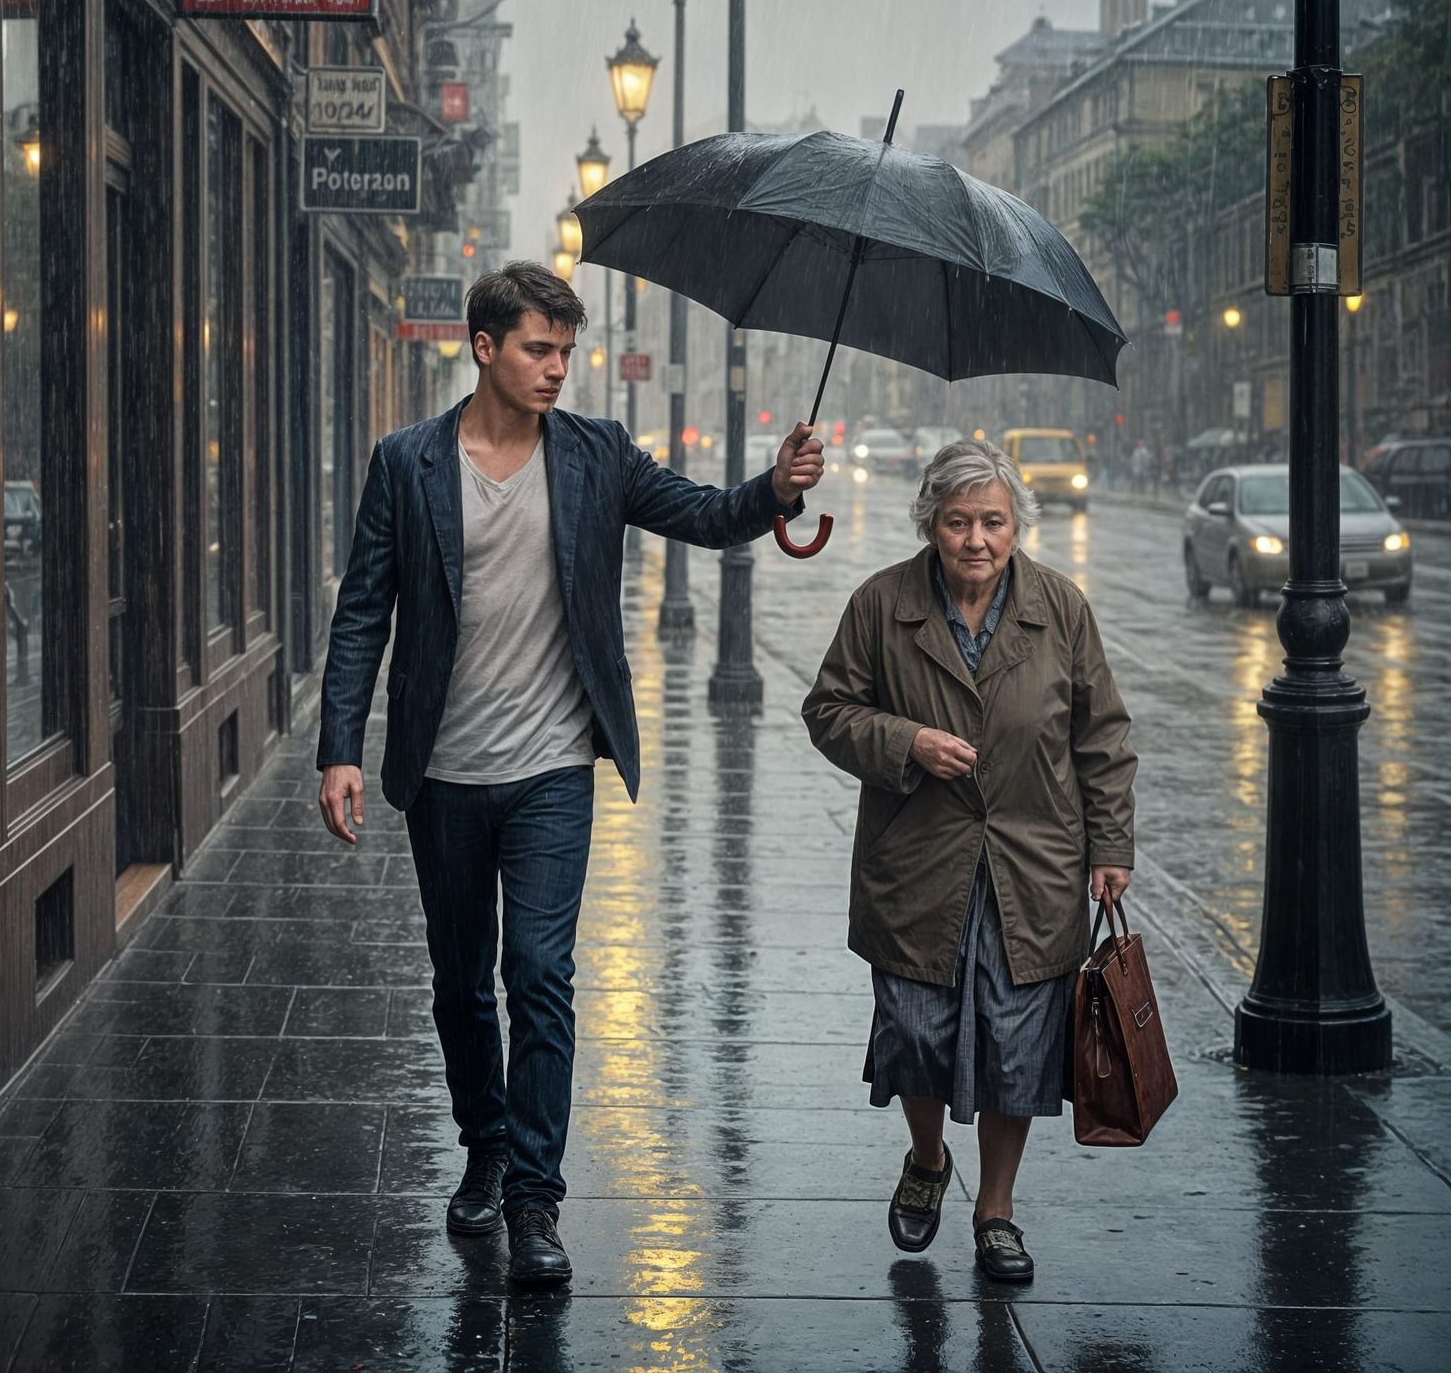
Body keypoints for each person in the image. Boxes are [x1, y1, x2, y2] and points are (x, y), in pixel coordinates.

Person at [317, 261, 824, 1287]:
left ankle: (534, 1197)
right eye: (538, 349)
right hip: (444, 769)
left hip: (553, 763)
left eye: (566, 350)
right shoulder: (407, 462)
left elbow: (703, 513)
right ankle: (484, 1142)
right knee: (460, 985)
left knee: (540, 975)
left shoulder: (595, 454)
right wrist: (339, 745)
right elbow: (365, 609)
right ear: (485, 347)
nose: (556, 368)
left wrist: (773, 489)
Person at [801, 439, 1136, 1283]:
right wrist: (904, 739)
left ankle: (997, 1210)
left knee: (1017, 1048)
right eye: (958, 522)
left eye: (993, 521)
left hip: (1035, 862)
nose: (976, 539)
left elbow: (1101, 736)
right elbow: (829, 710)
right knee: (915, 1031)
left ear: (1017, 526)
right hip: (917, 864)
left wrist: (1111, 847)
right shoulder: (882, 605)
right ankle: (926, 1160)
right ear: (931, 526)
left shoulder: (1060, 608)